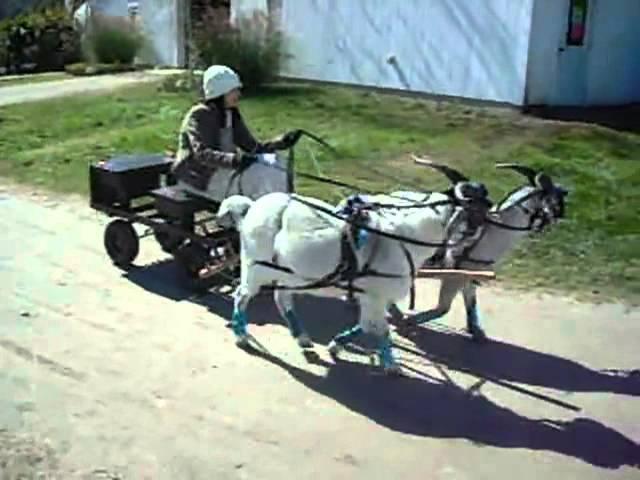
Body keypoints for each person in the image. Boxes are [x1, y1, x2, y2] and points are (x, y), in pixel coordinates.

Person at [171, 64, 302, 198]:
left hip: (224, 170)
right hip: (199, 178)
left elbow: (251, 147)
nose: (238, 94)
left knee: (277, 164)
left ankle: (284, 204)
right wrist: (235, 160)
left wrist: (279, 143)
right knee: (259, 179)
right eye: (233, 90)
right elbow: (202, 154)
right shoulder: (200, 115)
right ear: (219, 92)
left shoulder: (231, 113)